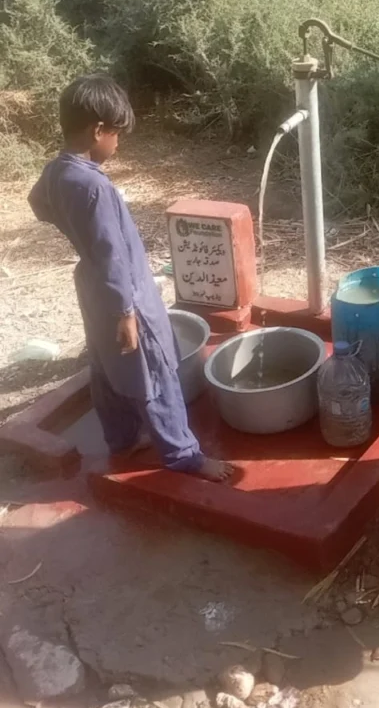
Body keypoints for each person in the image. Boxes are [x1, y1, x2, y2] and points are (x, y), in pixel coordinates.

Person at [28, 73, 233, 481]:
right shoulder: (94, 187)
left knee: (106, 368)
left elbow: (38, 204)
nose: (118, 143)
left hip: (91, 286)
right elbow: (113, 255)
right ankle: (184, 455)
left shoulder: (57, 172)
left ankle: (121, 439)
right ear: (97, 130)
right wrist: (126, 312)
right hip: (126, 295)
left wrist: (75, 231)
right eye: (116, 134)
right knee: (154, 371)